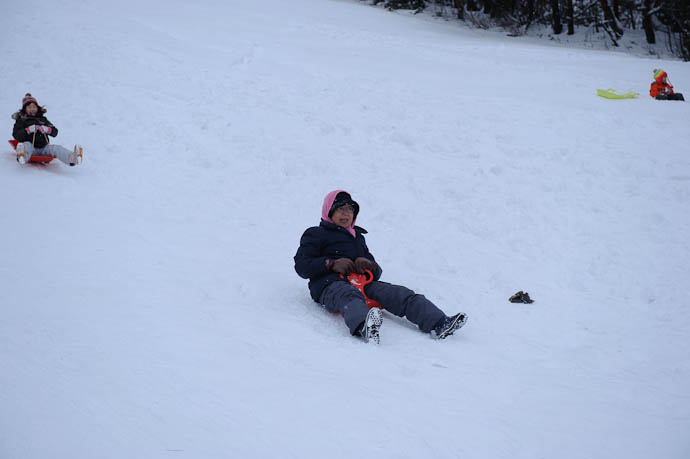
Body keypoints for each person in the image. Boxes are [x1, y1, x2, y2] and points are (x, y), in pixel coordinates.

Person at [294, 190, 467, 344]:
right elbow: (301, 265)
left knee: (399, 294)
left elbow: (376, 271)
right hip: (331, 285)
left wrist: (369, 265)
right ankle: (364, 326)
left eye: (350, 209)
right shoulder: (315, 234)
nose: (346, 213)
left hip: (363, 283)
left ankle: (438, 323)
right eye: (340, 209)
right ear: (329, 211)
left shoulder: (357, 238)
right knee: (349, 295)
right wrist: (330, 264)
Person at [11, 93, 84, 165]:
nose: (32, 109)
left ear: (37, 108)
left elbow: (55, 132)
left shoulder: (42, 119)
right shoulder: (22, 120)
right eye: (29, 107)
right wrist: (28, 130)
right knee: (26, 145)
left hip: (44, 148)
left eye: (34, 107)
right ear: (25, 109)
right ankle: (22, 157)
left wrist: (48, 130)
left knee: (56, 148)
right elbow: (16, 135)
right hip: (31, 148)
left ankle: (73, 158)